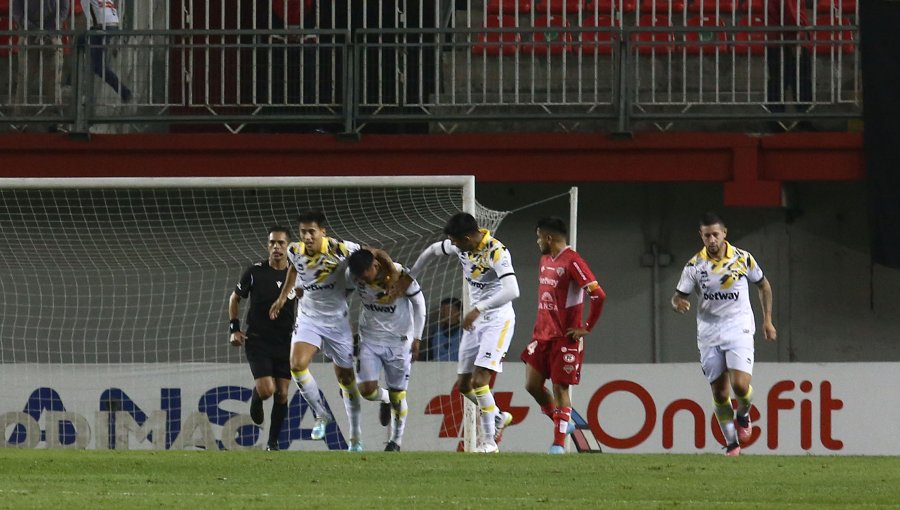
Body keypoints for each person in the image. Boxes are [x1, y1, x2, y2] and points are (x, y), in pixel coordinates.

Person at [269, 210, 396, 452]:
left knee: (347, 381)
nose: (307, 237)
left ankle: (356, 438)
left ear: (323, 232)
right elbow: (293, 270)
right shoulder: (294, 250)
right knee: (296, 365)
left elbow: (374, 254)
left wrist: (389, 275)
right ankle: (321, 414)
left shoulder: (341, 249)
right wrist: (283, 297)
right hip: (308, 318)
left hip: (337, 323)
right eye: (303, 232)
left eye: (311, 232)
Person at [402, 212, 519, 453]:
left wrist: (479, 308)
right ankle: (497, 416)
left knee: (479, 381)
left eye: (456, 241)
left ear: (467, 237)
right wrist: (412, 275)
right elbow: (433, 250)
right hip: (474, 322)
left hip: (497, 321)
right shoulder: (462, 247)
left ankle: (489, 443)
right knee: (464, 385)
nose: (453, 246)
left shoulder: (497, 252)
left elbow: (512, 290)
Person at [671, 212, 777, 456]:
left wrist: (767, 321)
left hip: (739, 327)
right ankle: (732, 445)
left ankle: (744, 413)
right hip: (708, 332)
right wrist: (677, 304)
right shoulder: (694, 266)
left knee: (740, 385)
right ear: (701, 236)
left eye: (715, 234)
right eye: (706, 235)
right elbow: (679, 296)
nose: (711, 240)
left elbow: (763, 285)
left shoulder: (743, 259)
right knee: (720, 392)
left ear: (724, 233)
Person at [521, 217, 606, 454]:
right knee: (532, 384)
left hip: (565, 338)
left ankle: (558, 444)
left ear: (548, 237)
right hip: (541, 335)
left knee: (560, 389)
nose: (537, 242)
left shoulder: (573, 262)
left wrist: (586, 326)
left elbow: (598, 294)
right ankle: (564, 423)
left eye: (539, 237)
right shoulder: (544, 260)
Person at [347, 248, 426, 452]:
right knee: (366, 390)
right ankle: (384, 399)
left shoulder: (398, 274)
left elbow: (419, 303)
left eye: (366, 273)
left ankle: (395, 442)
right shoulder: (354, 276)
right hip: (370, 340)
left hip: (399, 343)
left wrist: (417, 337)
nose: (363, 278)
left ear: (375, 266)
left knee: (398, 396)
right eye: (359, 275)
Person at [228, 226, 297, 451]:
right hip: (258, 339)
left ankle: (273, 443)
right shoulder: (255, 272)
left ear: (288, 246)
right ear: (267, 246)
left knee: (283, 393)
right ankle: (257, 397)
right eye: (272, 243)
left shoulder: (296, 274)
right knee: (268, 390)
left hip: (286, 342)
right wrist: (234, 329)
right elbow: (234, 298)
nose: (276, 247)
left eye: (281, 243)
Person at [12, 0, 70, 131]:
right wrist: (34, 29)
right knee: (24, 80)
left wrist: (47, 30)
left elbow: (63, 10)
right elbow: (17, 11)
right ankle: (19, 121)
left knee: (53, 82)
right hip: (29, 36)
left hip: (51, 37)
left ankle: (55, 122)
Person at [766, 0, 813, 132]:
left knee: (777, 82)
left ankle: (776, 122)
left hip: (777, 40)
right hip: (790, 40)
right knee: (800, 83)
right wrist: (795, 38)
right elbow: (791, 15)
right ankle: (802, 122)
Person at [78, 0, 132, 101]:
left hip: (101, 26)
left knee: (98, 66)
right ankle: (82, 90)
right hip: (112, 24)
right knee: (94, 62)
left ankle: (124, 92)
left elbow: (92, 16)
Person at [424, 297, 462, 361]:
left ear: (457, 312)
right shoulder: (435, 334)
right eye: (442, 309)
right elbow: (429, 357)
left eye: (446, 309)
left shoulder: (465, 334)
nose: (443, 313)